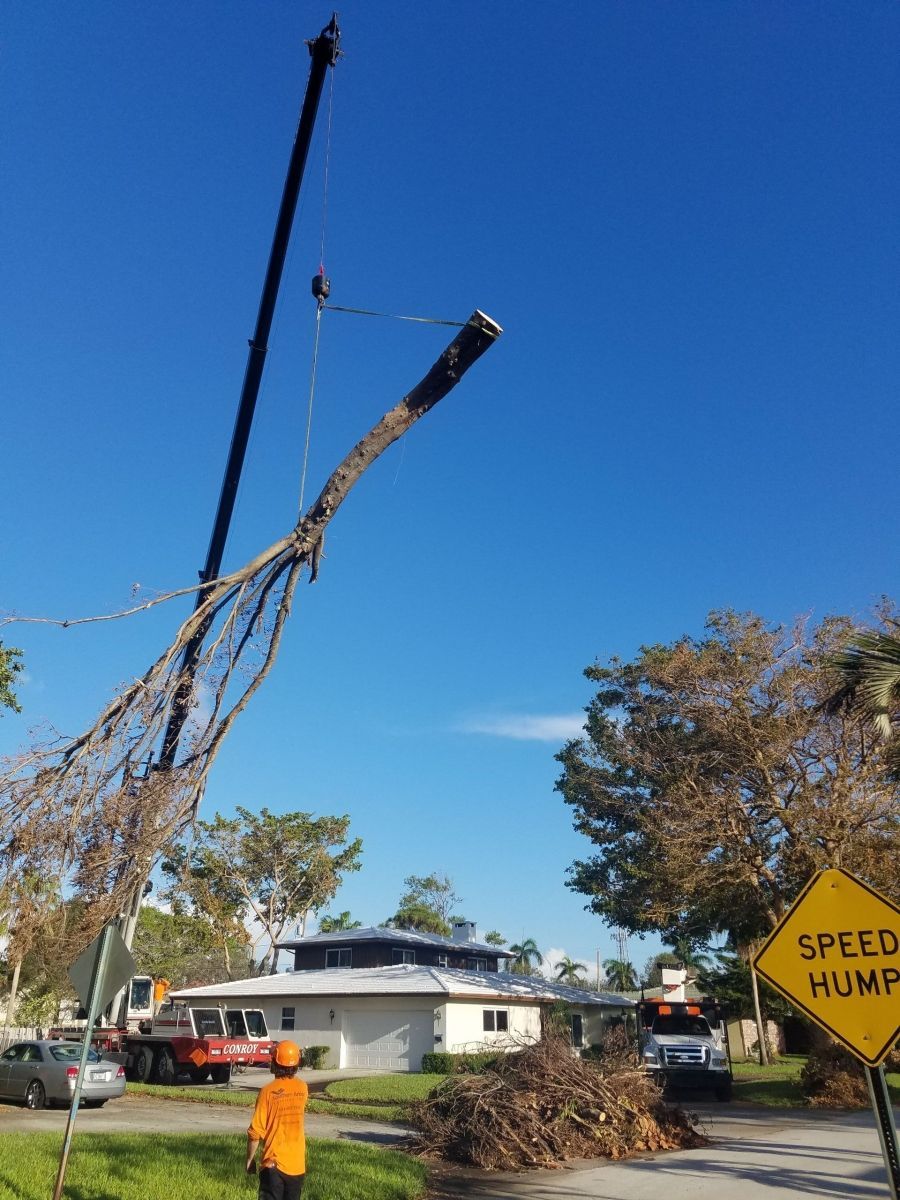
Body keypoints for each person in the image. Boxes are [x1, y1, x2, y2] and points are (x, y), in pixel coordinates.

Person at [246, 1039, 308, 1200]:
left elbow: (255, 1132)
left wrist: (250, 1160)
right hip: (297, 1165)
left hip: (273, 1164)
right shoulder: (303, 1088)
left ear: (275, 1062)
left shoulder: (267, 1092)